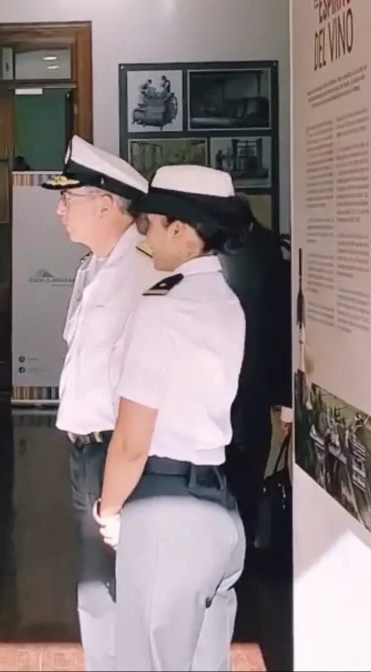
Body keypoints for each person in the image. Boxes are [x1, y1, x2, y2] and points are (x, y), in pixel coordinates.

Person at [94, 164, 248, 671]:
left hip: (166, 512)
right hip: (219, 508)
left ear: (179, 229)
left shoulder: (163, 306)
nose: (145, 237)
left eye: (151, 225)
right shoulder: (224, 300)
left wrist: (109, 510)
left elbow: (132, 441)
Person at [41, 135, 156, 672]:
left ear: (107, 204)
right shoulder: (95, 266)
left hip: (124, 451)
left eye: (69, 198)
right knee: (96, 588)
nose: (59, 209)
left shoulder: (145, 269)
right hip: (89, 450)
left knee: (128, 587)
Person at [219, 196, 292, 555]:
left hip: (239, 379)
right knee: (248, 465)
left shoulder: (236, 254)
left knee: (236, 468)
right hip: (254, 383)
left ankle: (236, 545)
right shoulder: (269, 250)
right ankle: (243, 543)